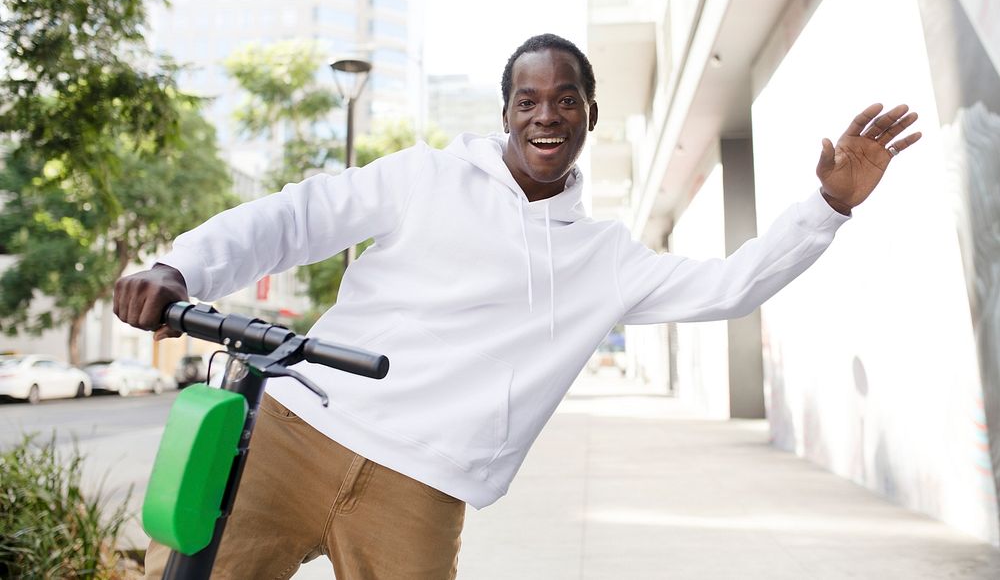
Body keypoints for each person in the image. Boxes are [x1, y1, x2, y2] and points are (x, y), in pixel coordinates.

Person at [115, 33, 921, 579]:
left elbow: (732, 284)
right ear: (505, 113)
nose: (546, 115)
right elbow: (297, 216)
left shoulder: (603, 257)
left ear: (588, 115)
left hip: (420, 487)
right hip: (300, 433)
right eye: (528, 100)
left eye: (565, 100)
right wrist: (178, 264)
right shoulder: (425, 177)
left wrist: (828, 205)